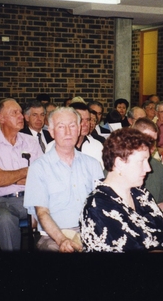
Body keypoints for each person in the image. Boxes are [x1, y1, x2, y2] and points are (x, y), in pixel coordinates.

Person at [80, 128, 163, 252]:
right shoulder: (97, 206)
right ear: (120, 163)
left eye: (148, 160)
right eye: (141, 161)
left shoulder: (142, 195)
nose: (148, 168)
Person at [24, 107, 104, 252]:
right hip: (54, 236)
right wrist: (62, 240)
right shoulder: (39, 168)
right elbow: (42, 213)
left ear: (79, 129)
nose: (68, 132)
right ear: (52, 132)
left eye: (72, 126)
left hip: (90, 232)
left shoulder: (93, 164)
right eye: (61, 127)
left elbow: (101, 205)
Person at [0, 98, 43, 251]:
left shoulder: (31, 142)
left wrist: (6, 176)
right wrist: (26, 171)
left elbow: (42, 176)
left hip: (30, 198)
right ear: (1, 118)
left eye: (20, 112)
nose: (21, 116)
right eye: (15, 113)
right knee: (5, 219)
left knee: (56, 210)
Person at [133, 118, 163, 223]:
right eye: (148, 140)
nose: (152, 146)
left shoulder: (158, 168)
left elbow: (161, 202)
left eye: (154, 141)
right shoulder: (119, 166)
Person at [69, 102, 104, 168]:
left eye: (88, 120)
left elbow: (100, 175)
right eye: (81, 120)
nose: (86, 124)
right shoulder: (55, 146)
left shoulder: (97, 146)